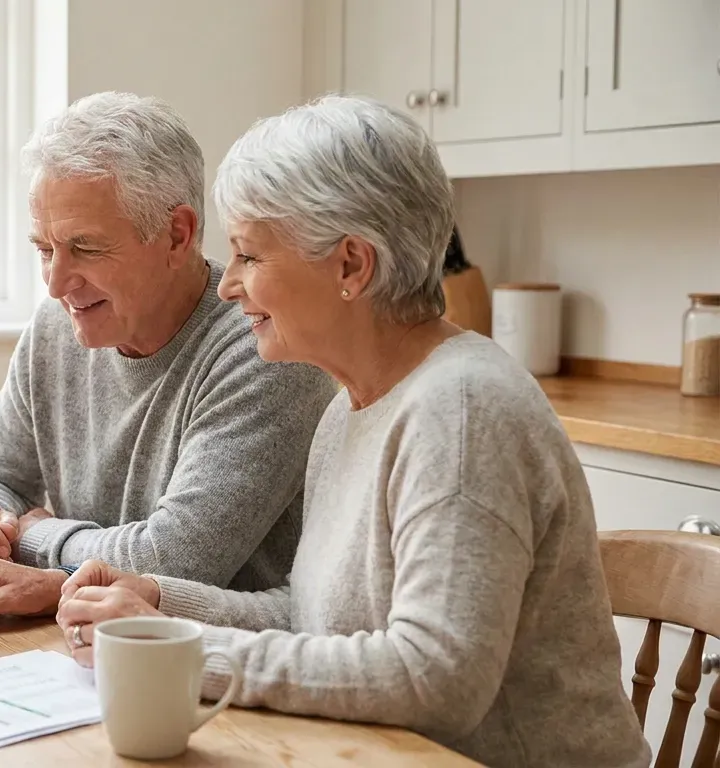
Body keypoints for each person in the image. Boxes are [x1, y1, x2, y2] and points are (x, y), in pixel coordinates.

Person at [48, 95, 651, 767]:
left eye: (249, 255)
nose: (229, 286)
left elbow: (432, 679)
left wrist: (187, 649)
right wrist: (160, 601)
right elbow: (312, 617)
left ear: (351, 266)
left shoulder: (462, 413)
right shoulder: (350, 407)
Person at [0, 90, 335, 615]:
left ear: (176, 235)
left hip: (209, 666)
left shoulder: (263, 349)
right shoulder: (57, 326)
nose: (56, 284)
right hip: (87, 636)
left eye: (86, 248)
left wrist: (35, 534)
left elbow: (174, 559)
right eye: (45, 250)